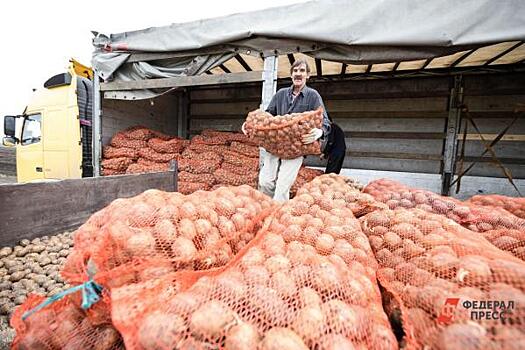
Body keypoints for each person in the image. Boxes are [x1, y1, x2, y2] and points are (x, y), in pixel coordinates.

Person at [243, 59, 331, 202]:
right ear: (291, 75)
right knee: (265, 182)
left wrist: (319, 132)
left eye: (302, 71)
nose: (298, 73)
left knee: (282, 187)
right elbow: (265, 116)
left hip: (295, 149)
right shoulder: (281, 94)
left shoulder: (313, 95)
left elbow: (325, 120)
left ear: (308, 75)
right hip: (275, 145)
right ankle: (265, 209)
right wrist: (249, 125)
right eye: (295, 71)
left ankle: (276, 218)